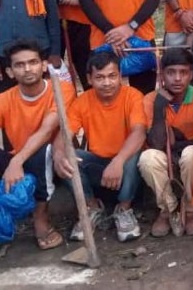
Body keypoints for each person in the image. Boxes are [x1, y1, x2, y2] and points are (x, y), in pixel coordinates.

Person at [0, 39, 75, 250]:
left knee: (43, 150)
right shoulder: (2, 100)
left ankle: (40, 219)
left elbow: (47, 131)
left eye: (33, 62)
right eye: (19, 65)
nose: (27, 69)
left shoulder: (62, 90)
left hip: (54, 162)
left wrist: (17, 161)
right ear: (10, 72)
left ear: (43, 65)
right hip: (18, 163)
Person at [53, 51, 147, 242]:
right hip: (98, 165)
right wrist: (58, 153)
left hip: (127, 166)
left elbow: (139, 132)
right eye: (100, 77)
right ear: (89, 78)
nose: (107, 83)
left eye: (112, 76)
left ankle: (124, 209)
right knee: (67, 157)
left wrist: (118, 161)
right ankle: (91, 207)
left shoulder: (133, 96)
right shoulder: (82, 102)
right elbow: (64, 134)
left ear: (120, 76)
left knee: (136, 154)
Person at [138, 48, 193, 237]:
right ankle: (168, 210)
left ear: (191, 74)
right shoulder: (151, 99)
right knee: (148, 158)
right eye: (171, 72)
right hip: (165, 156)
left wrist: (179, 145)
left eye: (183, 73)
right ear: (162, 75)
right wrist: (159, 108)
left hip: (190, 158)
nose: (177, 78)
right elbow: (156, 144)